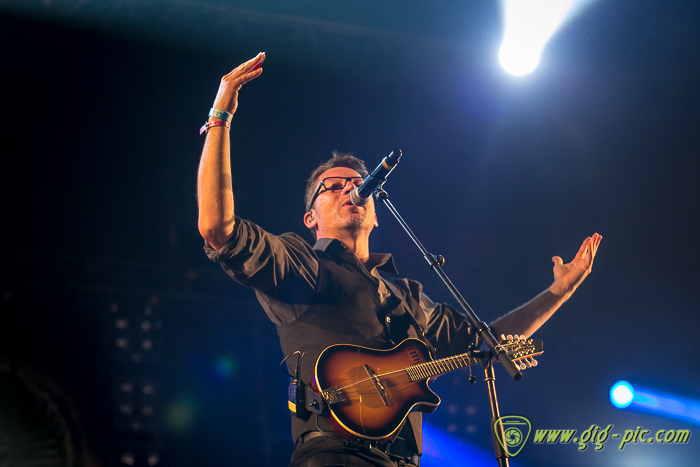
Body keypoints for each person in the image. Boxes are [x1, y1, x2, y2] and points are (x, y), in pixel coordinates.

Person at [197, 53, 602, 467]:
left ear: (375, 212)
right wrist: (219, 118)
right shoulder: (300, 263)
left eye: (358, 184)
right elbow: (217, 229)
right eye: (332, 187)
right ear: (310, 218)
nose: (349, 189)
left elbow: (485, 341)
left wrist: (558, 291)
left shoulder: (407, 296)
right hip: (335, 454)